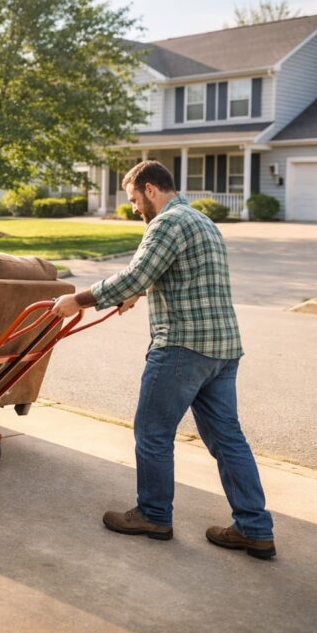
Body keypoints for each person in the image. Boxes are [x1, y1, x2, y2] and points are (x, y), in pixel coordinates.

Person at [54, 160, 275, 560]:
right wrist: (139, 292)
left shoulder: (166, 224)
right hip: (222, 351)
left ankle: (154, 514)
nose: (136, 207)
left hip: (181, 349)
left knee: (152, 432)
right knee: (228, 441)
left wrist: (78, 299)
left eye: (135, 199)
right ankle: (255, 529)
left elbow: (136, 273)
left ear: (151, 189)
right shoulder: (201, 221)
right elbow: (175, 273)